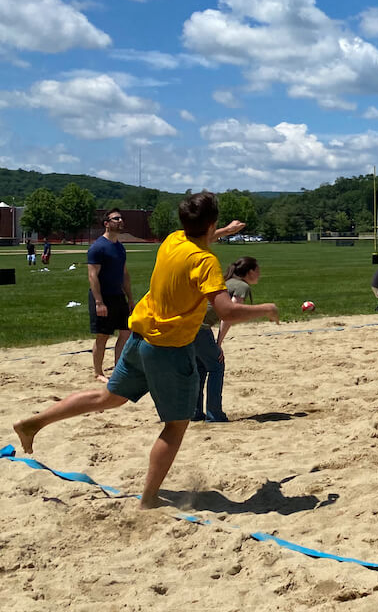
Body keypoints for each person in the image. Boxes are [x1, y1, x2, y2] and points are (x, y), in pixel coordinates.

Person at [14, 192, 278, 509]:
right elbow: (226, 311)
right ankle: (149, 499)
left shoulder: (173, 239)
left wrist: (223, 232)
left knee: (107, 397)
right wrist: (265, 308)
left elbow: (199, 238)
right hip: (170, 349)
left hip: (140, 339)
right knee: (176, 425)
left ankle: (33, 423)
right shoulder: (206, 262)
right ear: (211, 223)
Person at [192, 255, 262, 422]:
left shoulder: (226, 281)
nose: (259, 274)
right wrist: (218, 343)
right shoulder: (241, 286)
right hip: (200, 329)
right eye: (258, 271)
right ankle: (214, 414)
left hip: (188, 326)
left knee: (201, 367)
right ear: (250, 271)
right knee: (216, 365)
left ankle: (194, 412)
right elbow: (229, 315)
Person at [88, 209, 134, 383]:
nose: (120, 220)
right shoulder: (98, 247)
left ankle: (119, 367)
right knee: (103, 335)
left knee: (125, 332)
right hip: (103, 297)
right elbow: (92, 276)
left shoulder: (120, 247)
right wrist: (99, 302)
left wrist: (130, 298)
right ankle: (98, 373)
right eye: (116, 218)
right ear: (106, 223)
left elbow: (124, 274)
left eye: (121, 218)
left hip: (118, 296)